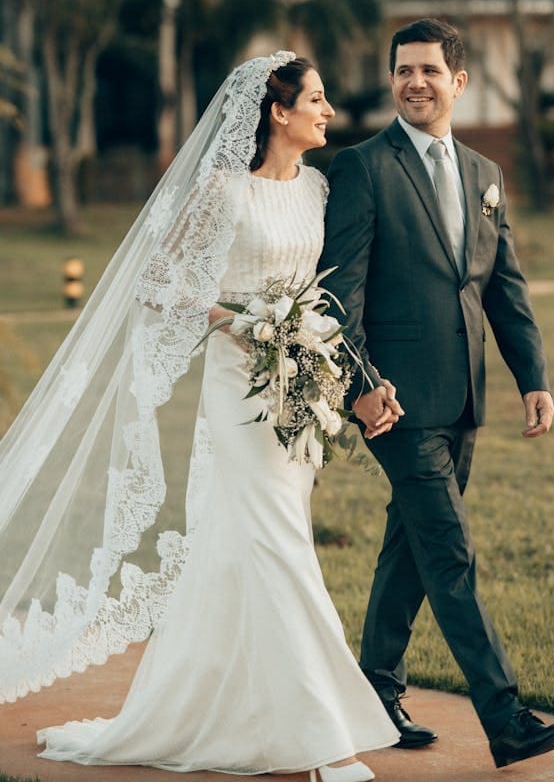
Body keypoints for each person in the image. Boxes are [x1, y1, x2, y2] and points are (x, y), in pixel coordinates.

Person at [1, 53, 399, 781]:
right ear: (276, 113)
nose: (327, 110)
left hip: (296, 394)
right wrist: (235, 319)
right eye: (314, 98)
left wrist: (316, 355)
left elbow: (328, 293)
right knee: (277, 545)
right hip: (236, 390)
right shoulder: (222, 192)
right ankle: (325, 741)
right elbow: (155, 285)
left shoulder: (316, 188)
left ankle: (219, 707)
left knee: (246, 547)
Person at [320, 19, 554, 770]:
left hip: (465, 399)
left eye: (429, 70)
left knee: (410, 548)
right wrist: (361, 389)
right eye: (403, 70)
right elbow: (338, 294)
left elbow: (503, 287)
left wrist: (533, 377)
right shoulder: (362, 168)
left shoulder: (483, 174)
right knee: (450, 553)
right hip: (393, 404)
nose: (414, 82)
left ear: (457, 82)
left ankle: (375, 691)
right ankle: (506, 718)